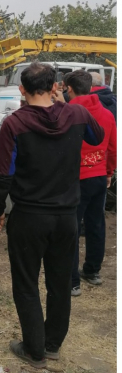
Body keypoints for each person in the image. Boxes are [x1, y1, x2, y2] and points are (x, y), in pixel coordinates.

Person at [0, 62, 104, 368]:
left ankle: (34, 350)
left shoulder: (14, 124)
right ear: (55, 87)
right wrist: (66, 104)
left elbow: (2, 175)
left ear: (21, 89)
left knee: (26, 282)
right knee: (59, 282)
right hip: (67, 217)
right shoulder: (78, 115)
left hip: (29, 216)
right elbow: (97, 136)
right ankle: (52, 344)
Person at [61, 71, 116, 296]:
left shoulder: (67, 114)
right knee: (96, 225)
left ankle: (72, 281)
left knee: (72, 228)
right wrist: (109, 172)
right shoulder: (106, 114)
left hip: (76, 179)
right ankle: (92, 271)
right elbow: (112, 147)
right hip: (100, 176)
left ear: (70, 89)